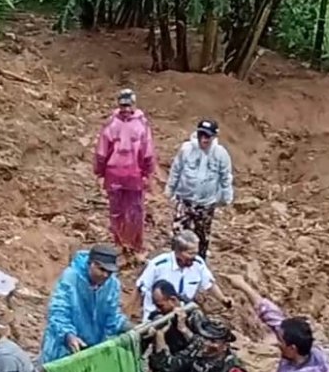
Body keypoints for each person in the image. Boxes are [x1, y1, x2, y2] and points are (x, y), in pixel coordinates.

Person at [39, 244, 129, 364]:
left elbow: (111, 316)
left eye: (109, 272)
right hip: (63, 348)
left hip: (91, 348)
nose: (105, 275)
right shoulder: (71, 277)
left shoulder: (112, 284)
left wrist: (126, 326)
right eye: (101, 270)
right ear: (90, 264)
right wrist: (68, 335)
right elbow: (58, 311)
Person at [93, 89, 156, 254]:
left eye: (128, 105)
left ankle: (126, 244)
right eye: (123, 105)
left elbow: (102, 152)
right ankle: (127, 245)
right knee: (127, 210)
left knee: (125, 210)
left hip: (123, 175)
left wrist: (100, 172)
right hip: (127, 174)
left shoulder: (112, 124)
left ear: (133, 105)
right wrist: (148, 173)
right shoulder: (140, 125)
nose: (126, 109)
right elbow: (147, 152)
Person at [166, 117, 234, 259]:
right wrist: (170, 188)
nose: (203, 139)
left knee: (201, 236)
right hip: (185, 199)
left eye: (207, 136)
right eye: (201, 135)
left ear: (214, 136)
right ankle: (175, 260)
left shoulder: (220, 154)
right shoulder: (186, 149)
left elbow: (225, 176)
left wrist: (226, 196)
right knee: (178, 233)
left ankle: (198, 263)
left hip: (205, 203)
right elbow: (176, 169)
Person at [135, 229, 228, 321]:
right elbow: (140, 289)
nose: (194, 257)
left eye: (196, 253)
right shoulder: (158, 265)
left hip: (183, 318)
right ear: (178, 252)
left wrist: (223, 299)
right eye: (190, 253)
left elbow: (209, 284)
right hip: (157, 318)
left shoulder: (198, 264)